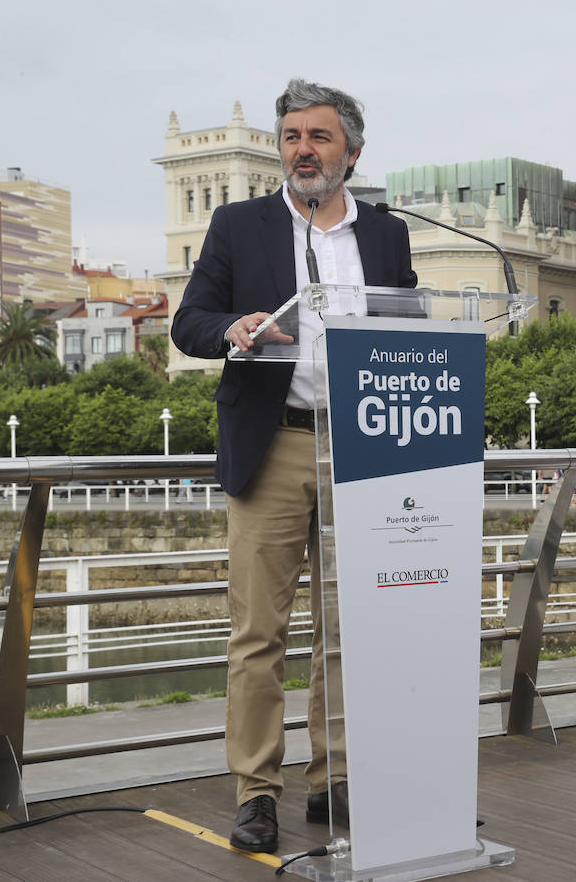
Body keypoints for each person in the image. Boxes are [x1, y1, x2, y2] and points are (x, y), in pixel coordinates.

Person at [171, 78, 416, 852]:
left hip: (365, 445)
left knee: (348, 634)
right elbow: (189, 322)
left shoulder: (385, 233)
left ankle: (335, 781)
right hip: (273, 441)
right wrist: (231, 327)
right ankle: (256, 793)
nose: (302, 151)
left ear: (352, 150)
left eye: (318, 137)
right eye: (291, 137)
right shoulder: (238, 225)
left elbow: (407, 329)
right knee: (259, 636)